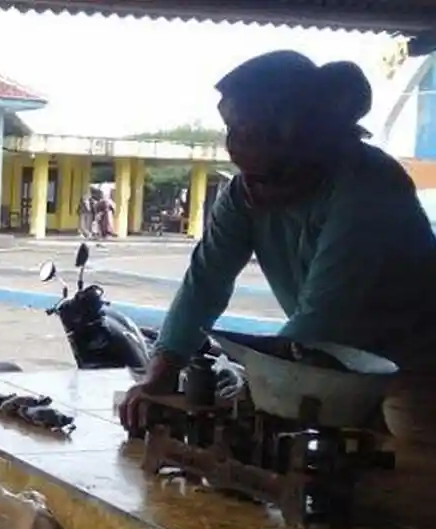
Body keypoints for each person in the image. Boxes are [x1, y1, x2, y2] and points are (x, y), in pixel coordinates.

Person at [118, 52, 436, 460]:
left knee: (409, 472)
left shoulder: (368, 185)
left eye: (274, 168)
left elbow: (322, 316)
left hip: (416, 364)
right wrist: (159, 375)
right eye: (235, 132)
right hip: (339, 368)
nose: (255, 187)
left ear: (311, 139)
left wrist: (256, 397)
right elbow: (205, 283)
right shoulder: (242, 196)